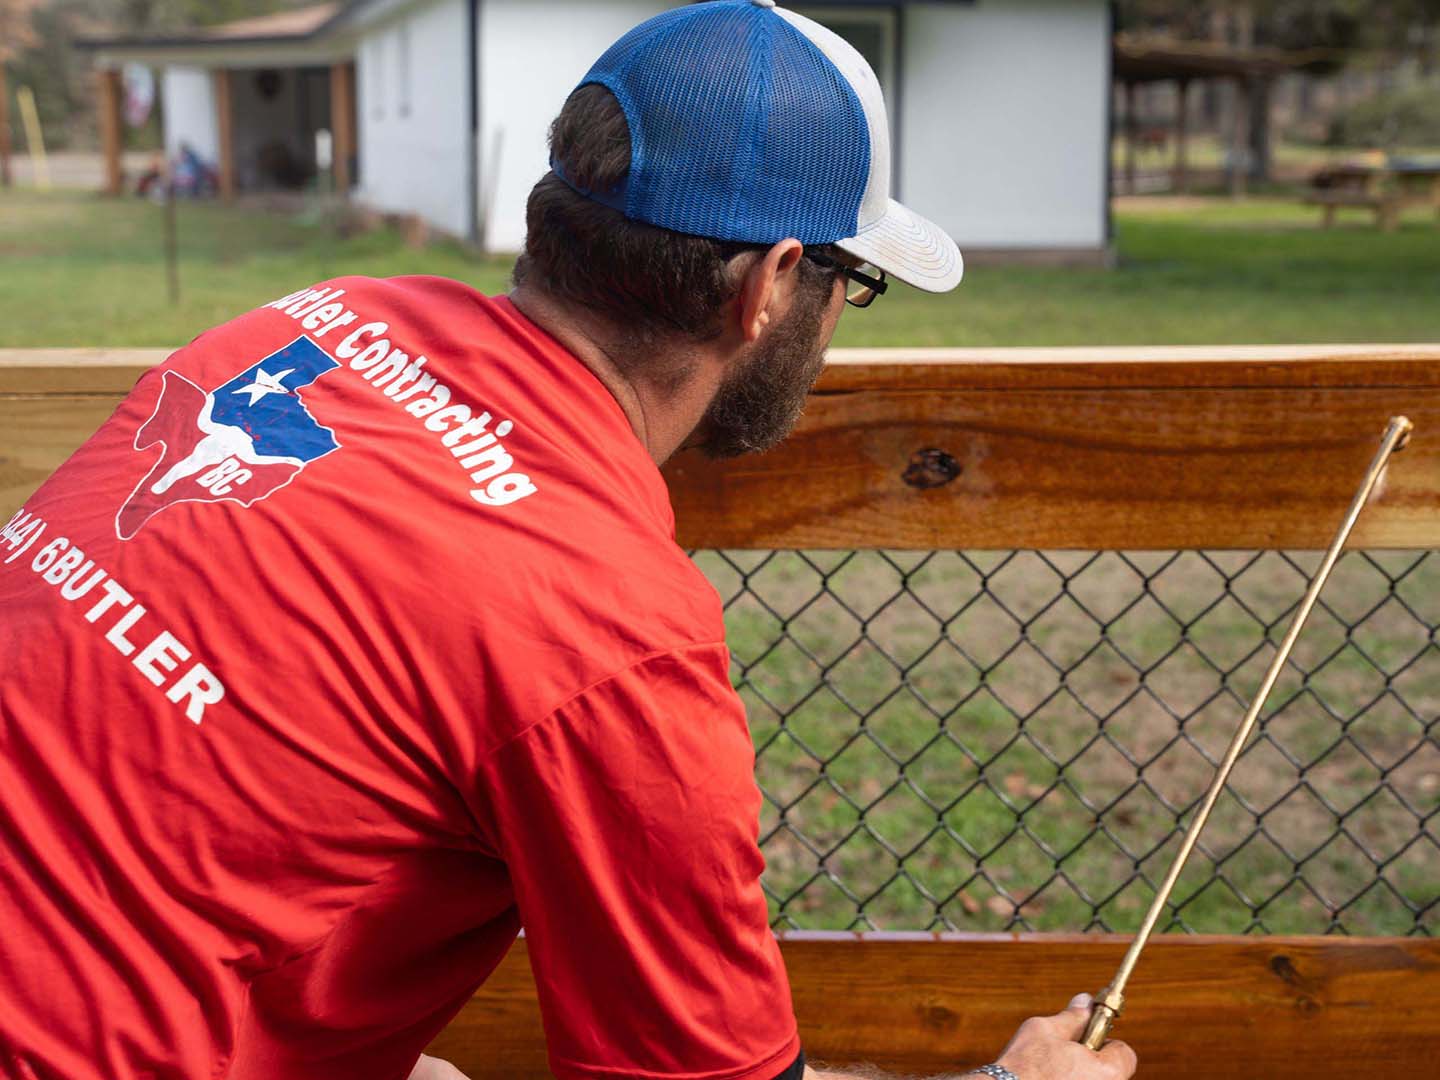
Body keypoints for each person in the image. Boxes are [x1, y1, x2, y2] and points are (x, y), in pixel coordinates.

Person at [0, 4, 1135, 1080]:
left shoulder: (310, 324)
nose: (837, 318)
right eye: (854, 282)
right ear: (772, 286)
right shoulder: (610, 633)